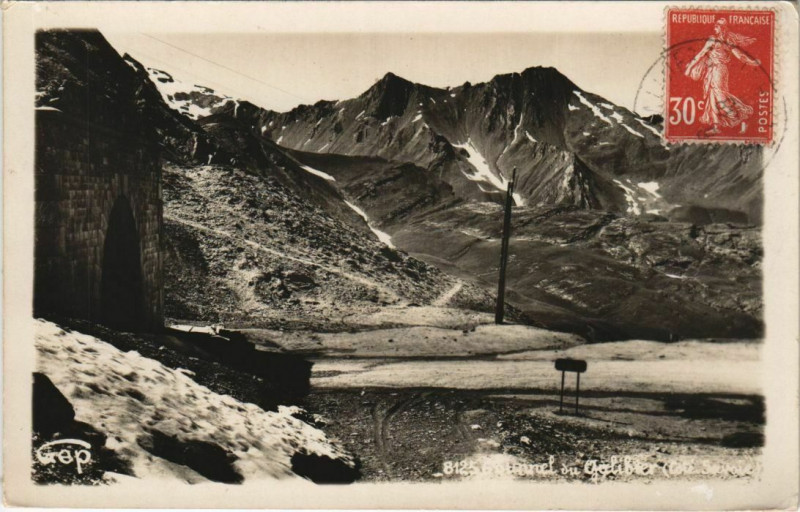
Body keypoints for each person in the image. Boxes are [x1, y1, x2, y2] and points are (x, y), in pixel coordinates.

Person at [684, 18, 761, 135]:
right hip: (714, 70)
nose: (714, 28)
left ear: (722, 28)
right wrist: (689, 67)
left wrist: (752, 62)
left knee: (720, 96)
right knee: (712, 96)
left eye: (717, 26)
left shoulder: (722, 41)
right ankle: (716, 126)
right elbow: (701, 54)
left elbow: (739, 56)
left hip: (718, 70)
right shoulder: (719, 41)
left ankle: (738, 118)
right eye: (715, 26)